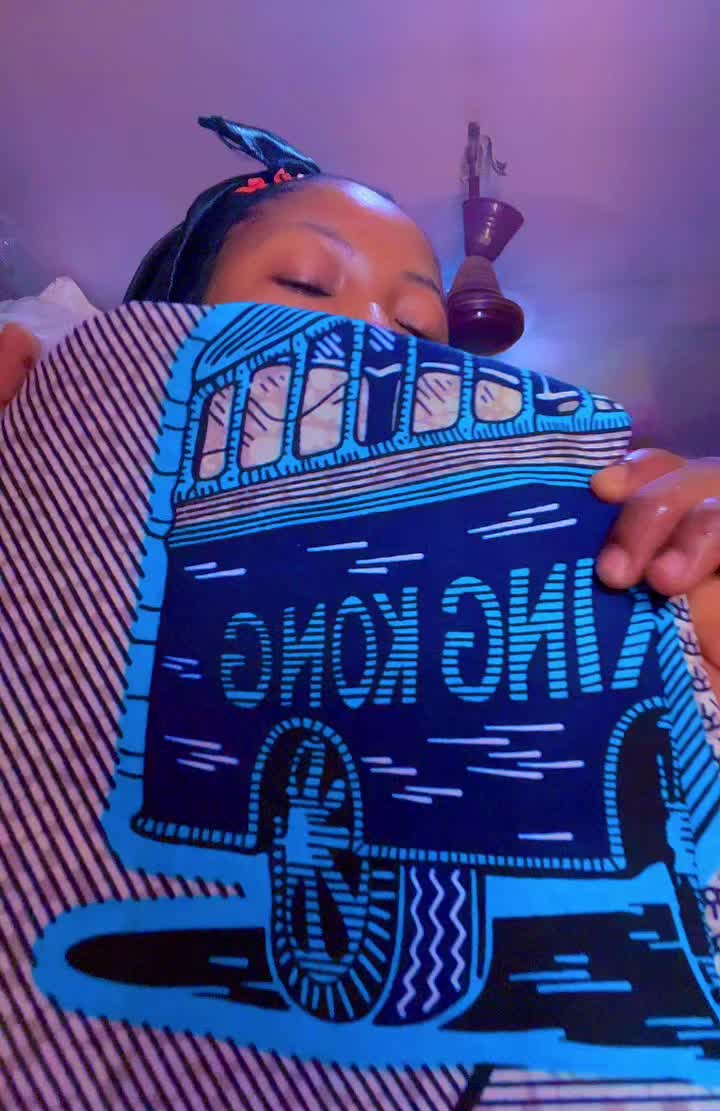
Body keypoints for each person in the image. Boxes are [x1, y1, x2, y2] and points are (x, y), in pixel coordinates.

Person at [2, 116, 719, 698]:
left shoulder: (515, 576)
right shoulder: (58, 503)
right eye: (305, 283)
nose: (374, 336)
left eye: (417, 330)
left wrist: (676, 608)